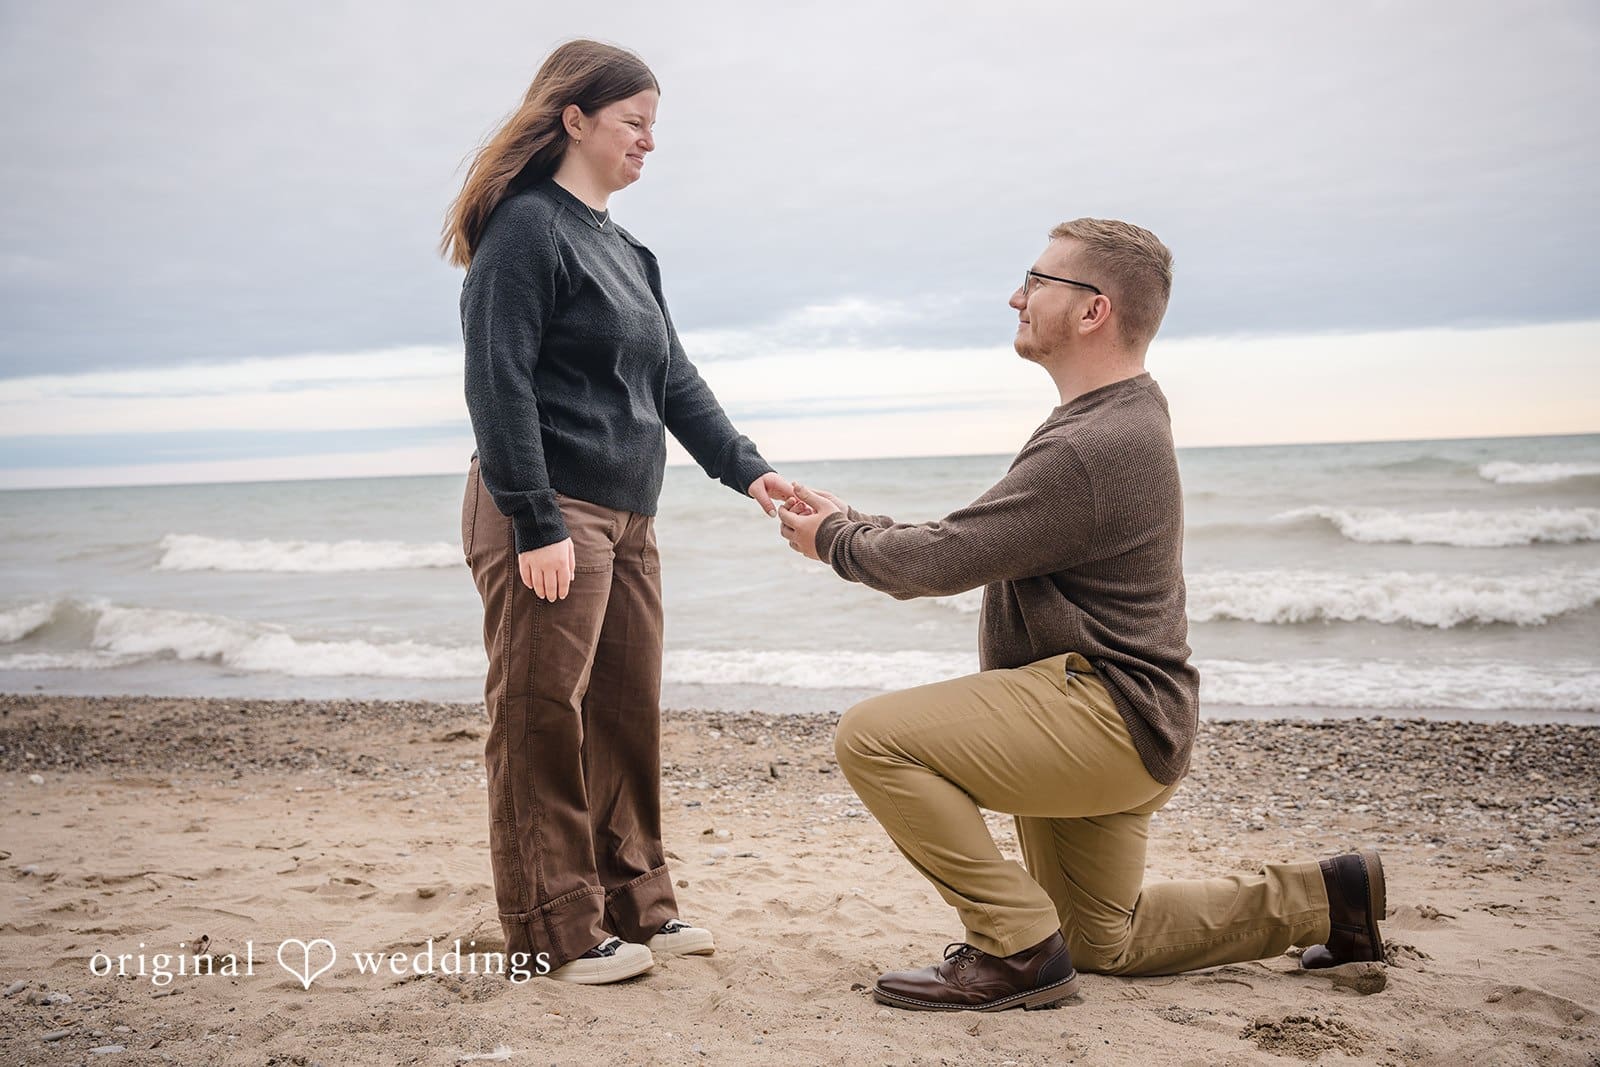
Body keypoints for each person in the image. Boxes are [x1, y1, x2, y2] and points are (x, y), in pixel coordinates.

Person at [776, 218, 1385, 1012]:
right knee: (1104, 940)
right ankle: (1327, 900)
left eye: (1036, 281)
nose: (1016, 297)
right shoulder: (1118, 418)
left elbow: (940, 560)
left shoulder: (1094, 444)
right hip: (1133, 724)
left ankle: (1015, 947)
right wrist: (851, 520)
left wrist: (834, 539)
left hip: (1102, 713)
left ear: (1093, 310)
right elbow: (983, 537)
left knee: (872, 736)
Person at [442, 40, 793, 985]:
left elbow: (674, 379)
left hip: (630, 517)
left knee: (627, 714)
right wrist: (534, 518)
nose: (648, 143)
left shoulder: (630, 251)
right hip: (549, 507)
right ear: (575, 120)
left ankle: (639, 905)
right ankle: (553, 928)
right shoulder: (525, 230)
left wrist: (749, 472)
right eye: (634, 124)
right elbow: (497, 380)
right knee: (539, 717)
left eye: (653, 127)